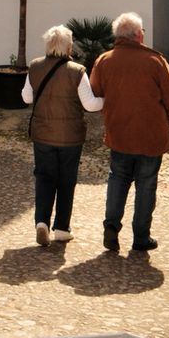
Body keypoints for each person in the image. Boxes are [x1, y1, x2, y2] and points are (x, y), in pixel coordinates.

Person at [89, 11, 169, 253]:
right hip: (151, 136)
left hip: (119, 133)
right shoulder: (155, 61)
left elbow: (95, 92)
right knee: (146, 186)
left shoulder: (105, 60)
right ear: (138, 35)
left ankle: (111, 228)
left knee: (117, 181)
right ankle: (141, 237)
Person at [22, 25, 103, 246]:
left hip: (43, 135)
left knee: (44, 178)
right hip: (70, 138)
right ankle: (62, 228)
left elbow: (26, 98)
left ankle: (41, 223)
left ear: (48, 44)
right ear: (68, 46)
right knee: (66, 181)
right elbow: (91, 105)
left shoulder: (35, 67)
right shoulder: (77, 71)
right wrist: (107, 99)